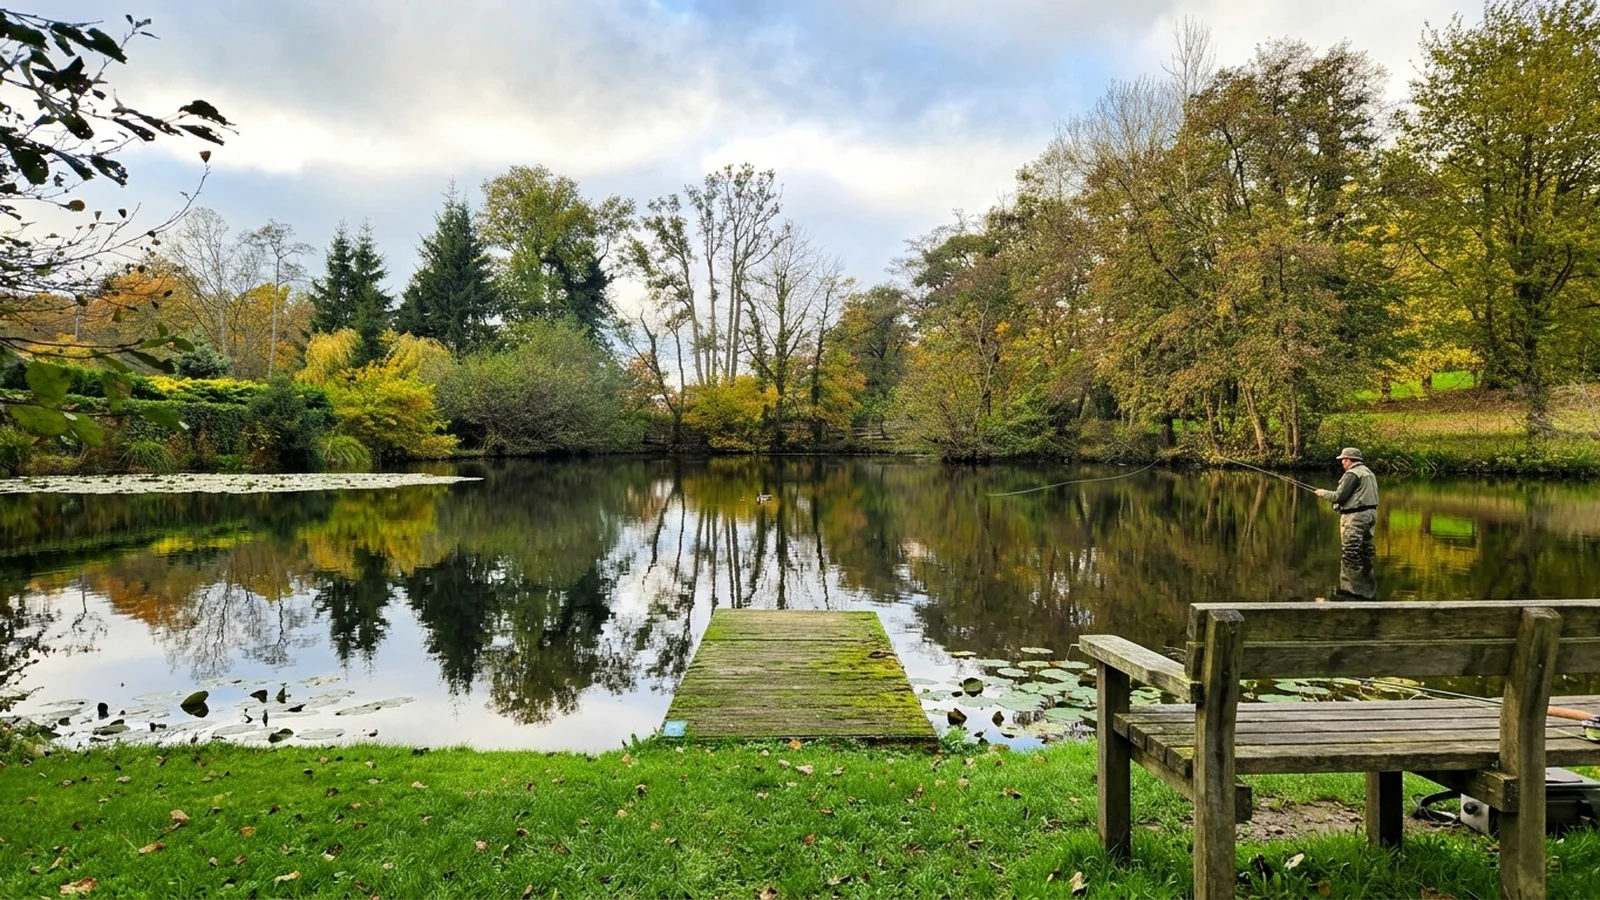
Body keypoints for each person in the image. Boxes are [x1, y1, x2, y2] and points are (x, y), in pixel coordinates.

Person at [1315, 447, 1379, 565]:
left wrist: (1324, 493)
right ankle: (1367, 574)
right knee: (1366, 550)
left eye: (1343, 459)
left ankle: (1350, 576)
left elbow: (1339, 497)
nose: (1342, 462)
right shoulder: (1368, 472)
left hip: (1356, 517)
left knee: (1350, 552)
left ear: (1349, 459)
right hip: (1371, 515)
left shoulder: (1352, 474)